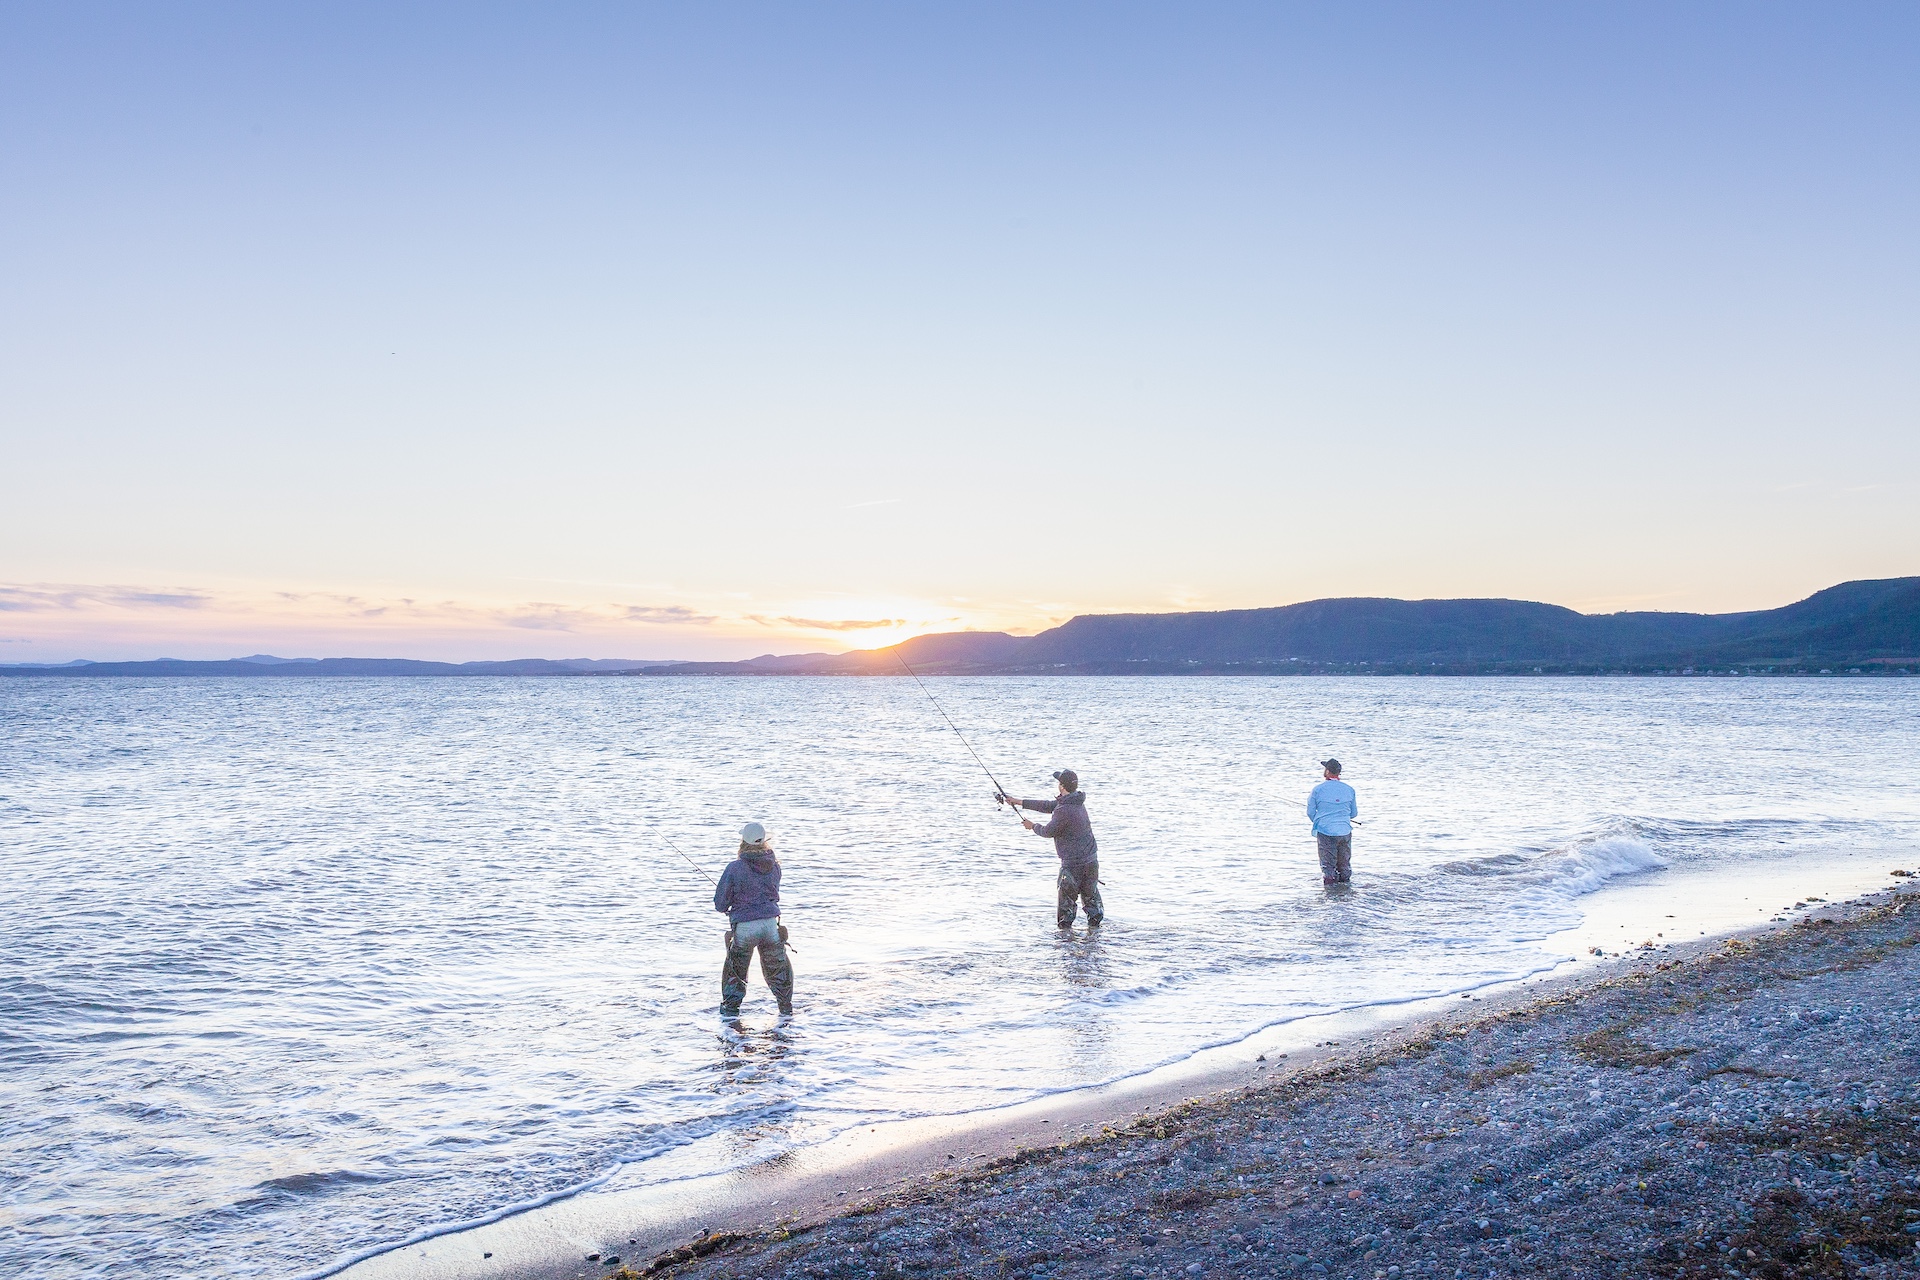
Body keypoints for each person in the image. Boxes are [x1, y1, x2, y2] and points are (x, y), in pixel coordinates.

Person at [998, 769, 1103, 929]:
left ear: (1062, 786)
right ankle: (1094, 939)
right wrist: (1018, 802)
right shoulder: (1076, 802)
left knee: (1065, 914)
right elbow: (1047, 806)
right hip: (1091, 861)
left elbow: (1048, 831)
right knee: (1092, 905)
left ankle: (1066, 946)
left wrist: (1032, 826)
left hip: (1073, 865)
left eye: (1058, 783)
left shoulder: (1064, 810)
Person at [712, 821, 793, 1016]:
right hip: (769, 925)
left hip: (746, 928)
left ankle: (731, 1020)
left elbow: (720, 903)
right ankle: (785, 1012)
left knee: (736, 974)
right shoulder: (775, 866)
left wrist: (730, 907)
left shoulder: (734, 868)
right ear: (765, 841)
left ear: (743, 842)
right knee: (778, 972)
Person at [1308, 758, 1358, 885]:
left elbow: (1310, 812)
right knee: (1344, 867)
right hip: (1345, 831)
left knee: (1328, 867)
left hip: (1326, 832)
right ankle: (1345, 894)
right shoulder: (1349, 789)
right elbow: (1353, 814)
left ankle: (1330, 898)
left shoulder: (1318, 790)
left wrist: (1320, 822)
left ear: (1328, 771)